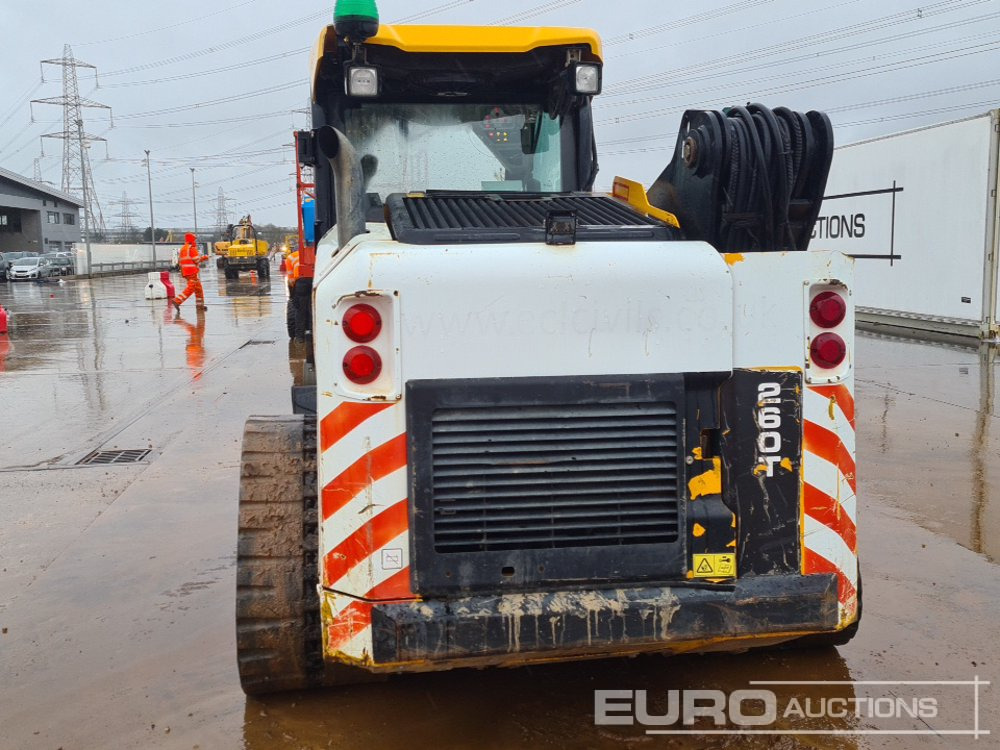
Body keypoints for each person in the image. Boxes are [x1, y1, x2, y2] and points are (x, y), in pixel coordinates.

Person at [173, 233, 209, 311]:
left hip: (185, 272)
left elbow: (180, 261)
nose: (195, 241)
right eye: (194, 239)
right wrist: (205, 257)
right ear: (192, 240)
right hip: (191, 272)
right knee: (191, 288)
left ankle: (200, 306)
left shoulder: (183, 248)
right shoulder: (191, 248)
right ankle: (177, 301)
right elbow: (197, 260)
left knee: (198, 289)